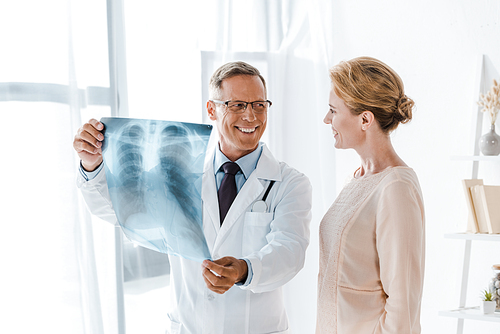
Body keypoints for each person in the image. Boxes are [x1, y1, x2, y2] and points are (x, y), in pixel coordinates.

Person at [73, 61, 312, 334]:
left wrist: (244, 270)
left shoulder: (291, 183)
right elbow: (120, 213)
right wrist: (92, 165)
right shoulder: (179, 173)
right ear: (212, 109)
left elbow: (289, 252)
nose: (251, 116)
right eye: (237, 105)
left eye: (259, 104)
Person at [316, 56, 425, 334]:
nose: (327, 119)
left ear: (365, 119)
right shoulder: (357, 179)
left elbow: (403, 307)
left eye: (333, 110)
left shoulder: (395, 187)